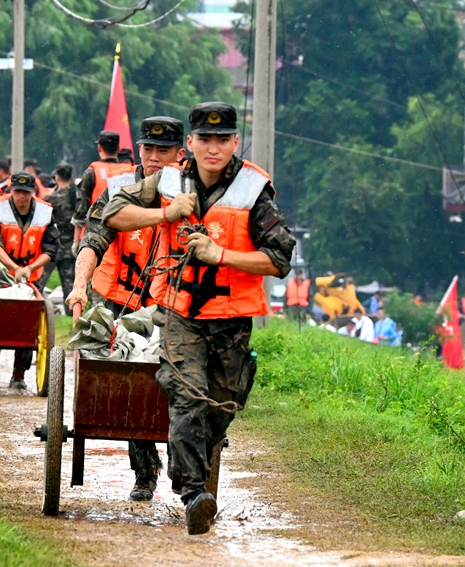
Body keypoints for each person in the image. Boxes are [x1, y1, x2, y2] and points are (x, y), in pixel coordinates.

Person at [101, 102, 295, 534]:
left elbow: (280, 258)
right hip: (178, 311)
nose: (213, 148)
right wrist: (165, 213)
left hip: (231, 320)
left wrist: (220, 254)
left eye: (221, 139)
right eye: (204, 139)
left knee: (219, 408)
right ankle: (193, 493)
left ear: (234, 143)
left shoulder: (253, 188)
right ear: (190, 143)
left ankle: (193, 465)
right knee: (185, 391)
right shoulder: (168, 180)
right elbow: (111, 214)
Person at [66, 116, 186, 502]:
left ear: (180, 154)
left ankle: (186, 464)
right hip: (118, 301)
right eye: (148, 149)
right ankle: (145, 473)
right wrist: (79, 285)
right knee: (128, 377)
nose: (154, 157)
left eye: (163, 151)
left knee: (172, 381)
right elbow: (93, 240)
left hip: (168, 304)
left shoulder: (192, 193)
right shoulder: (117, 188)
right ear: (138, 150)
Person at [0, 172, 60, 388]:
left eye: (25, 192)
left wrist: (29, 268)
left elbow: (52, 248)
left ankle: (19, 375)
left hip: (30, 274)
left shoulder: (46, 211)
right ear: (11, 190)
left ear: (32, 192)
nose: (21, 197)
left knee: (30, 321)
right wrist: (13, 267)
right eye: (17, 191)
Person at [71, 130, 126, 253]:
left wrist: (76, 241)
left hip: (96, 235)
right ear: (118, 149)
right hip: (123, 234)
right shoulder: (128, 171)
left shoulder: (91, 172)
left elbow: (81, 208)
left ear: (99, 148)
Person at [38, 163, 76, 309]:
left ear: (57, 177)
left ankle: (35, 306)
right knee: (69, 284)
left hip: (52, 247)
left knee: (40, 281)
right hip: (70, 246)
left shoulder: (51, 199)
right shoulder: (75, 197)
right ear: (71, 177)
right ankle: (72, 314)